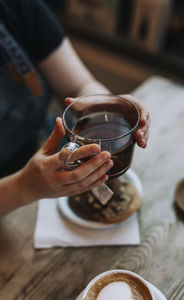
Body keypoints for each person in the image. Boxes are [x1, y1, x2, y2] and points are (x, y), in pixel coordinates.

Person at [0, 0, 150, 217]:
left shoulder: (15, 6)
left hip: (42, 147)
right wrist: (23, 187)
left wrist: (113, 104)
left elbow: (78, 86)